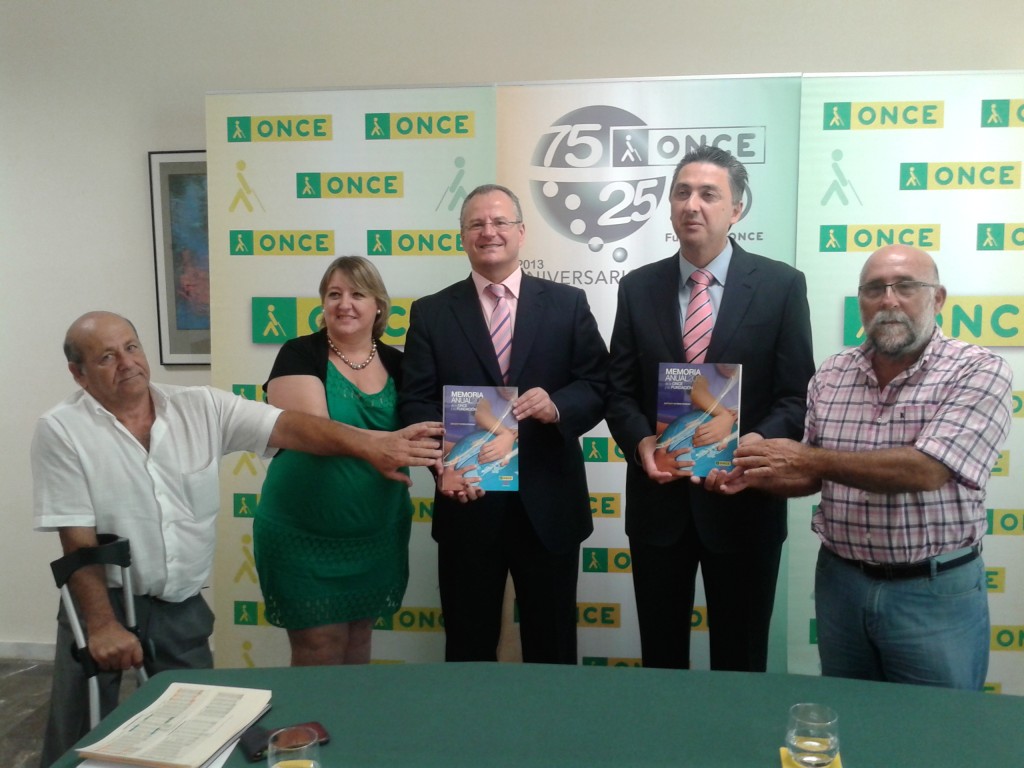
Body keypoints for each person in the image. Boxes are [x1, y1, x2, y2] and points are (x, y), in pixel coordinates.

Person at [32, 311, 442, 765]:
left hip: (181, 606)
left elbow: (289, 426)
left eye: (132, 347)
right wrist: (102, 625)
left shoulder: (200, 406)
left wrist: (371, 445)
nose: (127, 362)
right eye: (107, 356)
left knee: (198, 738)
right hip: (104, 604)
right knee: (80, 736)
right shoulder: (62, 429)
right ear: (78, 373)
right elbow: (78, 539)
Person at [713, 245, 1013, 690]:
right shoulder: (833, 373)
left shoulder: (978, 370)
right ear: (860, 300)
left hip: (931, 593)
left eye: (905, 286)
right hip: (841, 585)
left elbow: (927, 470)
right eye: (874, 289)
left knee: (936, 738)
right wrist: (752, 470)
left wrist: (803, 457)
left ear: (939, 297)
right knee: (851, 725)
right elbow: (810, 476)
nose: (888, 300)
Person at [606, 146, 815, 671]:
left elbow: (797, 394)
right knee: (661, 656)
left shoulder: (781, 285)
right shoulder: (637, 288)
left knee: (741, 660)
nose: (691, 205)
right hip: (661, 506)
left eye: (708, 194)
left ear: (736, 209)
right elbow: (619, 390)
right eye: (681, 193)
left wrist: (755, 444)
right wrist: (641, 442)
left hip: (745, 504)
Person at [399, 183, 608, 664]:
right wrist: (441, 466)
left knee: (552, 647)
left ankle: (551, 737)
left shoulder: (567, 303)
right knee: (468, 647)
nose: (488, 232)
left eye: (498, 222)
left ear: (521, 232)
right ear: (462, 236)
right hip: (467, 501)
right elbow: (415, 402)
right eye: (476, 224)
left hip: (549, 506)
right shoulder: (431, 313)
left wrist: (557, 407)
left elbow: (598, 383)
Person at [253, 256, 414, 666]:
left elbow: (428, 428)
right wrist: (389, 443)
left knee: (359, 644)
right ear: (322, 304)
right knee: (318, 649)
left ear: (378, 305)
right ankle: (310, 733)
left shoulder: (401, 363)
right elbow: (315, 433)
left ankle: (352, 731)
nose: (345, 303)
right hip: (304, 536)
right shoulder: (299, 353)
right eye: (334, 294)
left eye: (358, 294)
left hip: (376, 535)